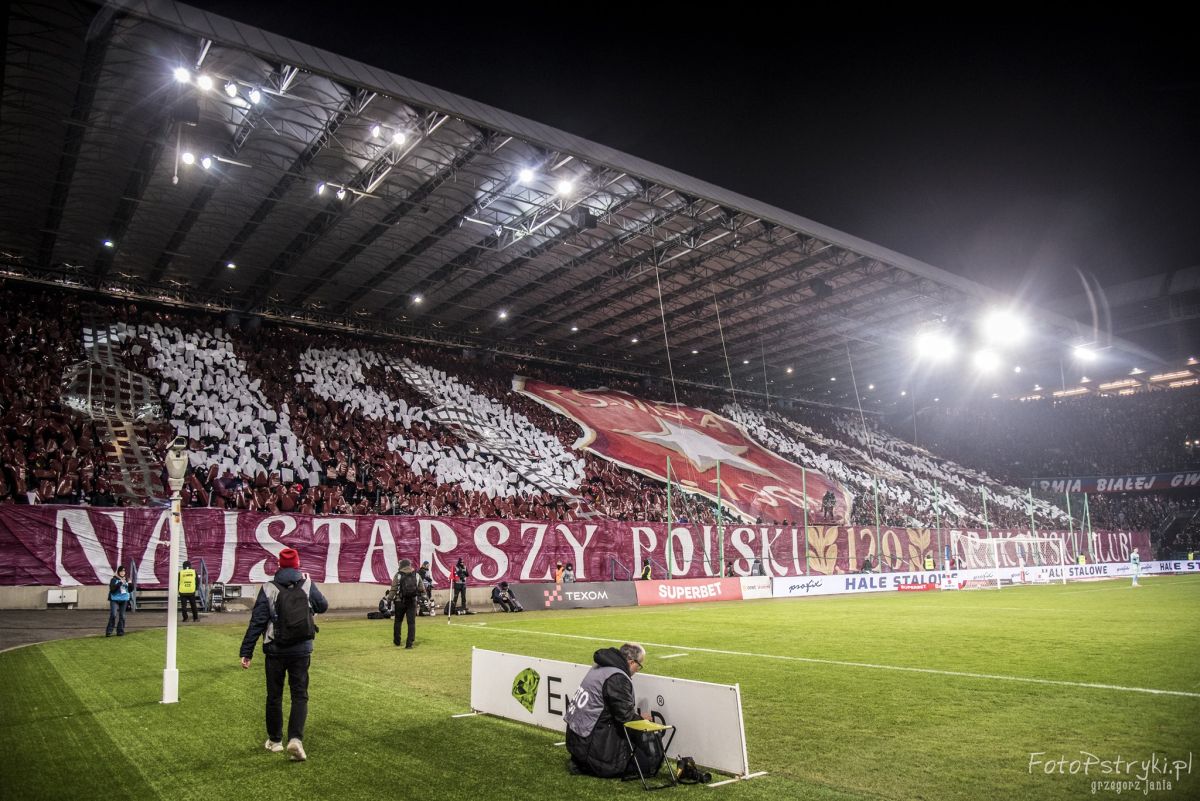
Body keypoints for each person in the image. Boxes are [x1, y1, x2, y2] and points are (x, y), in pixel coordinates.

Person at [239, 547, 328, 762]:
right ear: (297, 564)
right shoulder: (307, 584)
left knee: (274, 696)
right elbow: (323, 606)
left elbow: (258, 621)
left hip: (275, 649)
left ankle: (275, 741)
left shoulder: (268, 587)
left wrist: (247, 651)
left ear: (279, 565)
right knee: (299, 695)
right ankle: (296, 739)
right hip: (301, 649)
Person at [565, 643, 660, 778]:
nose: (637, 670)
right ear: (631, 662)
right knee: (647, 764)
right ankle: (588, 765)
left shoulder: (599, 666)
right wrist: (642, 720)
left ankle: (581, 763)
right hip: (591, 746)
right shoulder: (617, 678)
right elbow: (626, 718)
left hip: (576, 743)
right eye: (639, 666)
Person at [388, 559, 420, 648]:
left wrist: (389, 599)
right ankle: (409, 644)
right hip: (412, 601)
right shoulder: (416, 575)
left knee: (398, 621)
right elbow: (421, 589)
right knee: (411, 623)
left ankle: (397, 641)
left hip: (399, 601)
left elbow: (393, 589)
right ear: (409, 565)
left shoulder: (398, 575)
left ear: (401, 565)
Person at [106, 565, 131, 637]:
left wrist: (130, 584)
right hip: (115, 599)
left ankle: (120, 631)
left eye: (124, 571)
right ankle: (109, 631)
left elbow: (130, 590)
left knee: (122, 616)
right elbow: (112, 590)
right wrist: (120, 583)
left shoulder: (127, 579)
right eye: (121, 571)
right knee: (113, 614)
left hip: (124, 599)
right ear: (118, 572)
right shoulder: (113, 579)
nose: (123, 573)